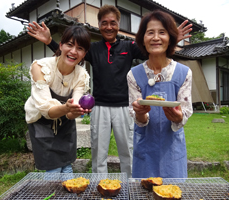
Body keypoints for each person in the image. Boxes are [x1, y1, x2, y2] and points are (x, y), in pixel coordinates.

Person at [27, 5, 193, 178]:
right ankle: (101, 187)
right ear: (98, 24)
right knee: (99, 154)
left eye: (113, 22)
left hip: (124, 108)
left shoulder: (129, 46)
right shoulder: (93, 48)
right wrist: (49, 42)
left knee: (127, 154)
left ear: (118, 24)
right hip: (100, 107)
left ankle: (130, 187)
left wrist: (171, 41)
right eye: (104, 23)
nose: (108, 26)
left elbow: (152, 49)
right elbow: (72, 53)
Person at [127, 10, 193, 178]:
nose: (156, 37)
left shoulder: (184, 72)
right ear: (143, 39)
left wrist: (178, 117)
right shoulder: (134, 75)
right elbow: (138, 119)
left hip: (172, 147)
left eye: (162, 32)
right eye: (150, 33)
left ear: (170, 37)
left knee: (173, 192)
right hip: (145, 146)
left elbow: (185, 111)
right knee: (143, 192)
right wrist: (140, 113)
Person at [24, 25, 91, 173]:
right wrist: (68, 107)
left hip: (65, 124)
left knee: (67, 165)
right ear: (60, 45)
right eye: (70, 45)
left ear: (84, 54)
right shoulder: (41, 67)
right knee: (52, 169)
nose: (73, 51)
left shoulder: (82, 75)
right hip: (41, 121)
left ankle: (70, 195)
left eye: (80, 48)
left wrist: (77, 110)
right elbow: (47, 110)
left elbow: (70, 113)